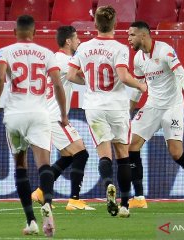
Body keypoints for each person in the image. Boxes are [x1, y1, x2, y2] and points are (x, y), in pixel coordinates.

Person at [0, 15, 68, 237]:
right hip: (40, 114)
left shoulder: (5, 52)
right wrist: (63, 114)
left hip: (14, 115)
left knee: (20, 166)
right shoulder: (47, 54)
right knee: (44, 164)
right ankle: (48, 204)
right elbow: (58, 85)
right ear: (35, 32)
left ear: (15, 32)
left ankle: (31, 221)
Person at [67, 6, 147, 218]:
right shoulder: (119, 48)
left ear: (95, 24)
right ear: (115, 23)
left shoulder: (84, 47)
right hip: (117, 106)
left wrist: (88, 82)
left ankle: (108, 184)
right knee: (123, 154)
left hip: (94, 106)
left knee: (104, 154)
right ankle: (125, 205)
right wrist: (140, 85)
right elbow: (122, 76)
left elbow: (70, 74)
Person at [127, 21, 184, 209]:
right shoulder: (137, 59)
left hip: (173, 106)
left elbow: (182, 75)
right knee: (131, 146)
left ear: (143, 35)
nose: (129, 39)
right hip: (152, 106)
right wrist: (129, 110)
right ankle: (140, 198)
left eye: (132, 35)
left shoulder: (165, 51)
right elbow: (138, 88)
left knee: (176, 153)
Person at [31, 26, 95, 211]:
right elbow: (86, 77)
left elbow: (79, 80)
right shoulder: (66, 60)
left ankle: (41, 191)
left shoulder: (54, 59)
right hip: (54, 117)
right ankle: (74, 200)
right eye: (76, 39)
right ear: (68, 41)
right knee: (81, 153)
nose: (79, 42)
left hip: (47, 115)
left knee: (68, 156)